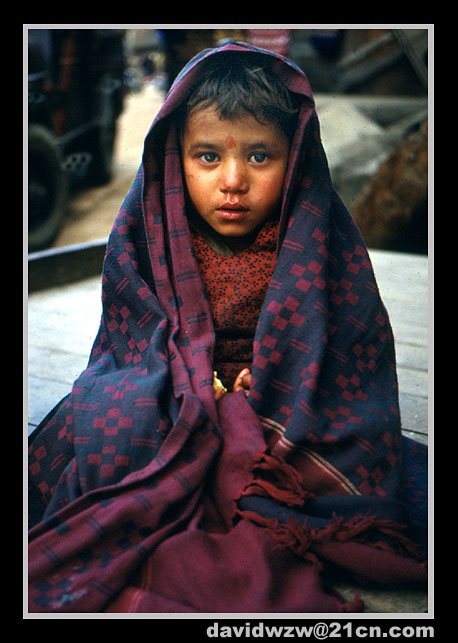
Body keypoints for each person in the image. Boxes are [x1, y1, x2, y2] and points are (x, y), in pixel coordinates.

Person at [28, 41, 427, 614]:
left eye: (261, 157)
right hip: (173, 389)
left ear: (296, 159)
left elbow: (347, 354)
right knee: (97, 425)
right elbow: (131, 339)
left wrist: (264, 382)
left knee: (334, 454)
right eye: (208, 157)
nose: (233, 180)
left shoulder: (318, 240)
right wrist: (193, 381)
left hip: (282, 405)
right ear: (176, 157)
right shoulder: (153, 233)